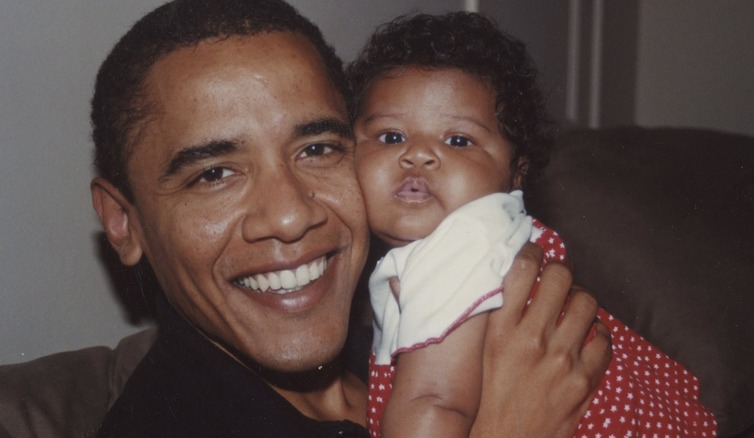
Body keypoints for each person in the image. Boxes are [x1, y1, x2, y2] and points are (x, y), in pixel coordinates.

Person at [89, 0, 611, 436]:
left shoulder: (415, 330)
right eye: (214, 174)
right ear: (123, 222)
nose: (291, 216)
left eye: (317, 148)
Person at [347, 12, 718, 438]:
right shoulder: (498, 240)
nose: (419, 155)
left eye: (458, 140)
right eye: (391, 137)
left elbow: (435, 403)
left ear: (515, 174)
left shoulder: (461, 244)